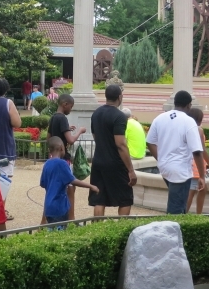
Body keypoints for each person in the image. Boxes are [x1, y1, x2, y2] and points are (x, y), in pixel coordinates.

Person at [145, 90, 206, 215]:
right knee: (176, 212)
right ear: (189, 105)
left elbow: (150, 142)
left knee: (180, 205)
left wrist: (161, 158)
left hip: (164, 168)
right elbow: (197, 152)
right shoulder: (188, 121)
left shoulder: (160, 118)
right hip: (180, 171)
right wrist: (202, 176)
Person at [88, 84, 137, 217]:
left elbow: (95, 137)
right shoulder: (119, 116)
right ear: (120, 97)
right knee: (125, 198)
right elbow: (120, 144)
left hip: (98, 160)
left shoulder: (96, 114)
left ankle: (98, 228)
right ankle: (121, 228)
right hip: (115, 163)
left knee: (99, 198)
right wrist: (131, 170)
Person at [41, 137, 99, 227]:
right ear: (61, 148)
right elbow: (73, 180)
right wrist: (91, 186)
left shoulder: (47, 164)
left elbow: (43, 184)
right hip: (59, 207)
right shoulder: (62, 163)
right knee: (60, 231)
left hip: (48, 208)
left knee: (52, 229)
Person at [48, 93, 87, 221]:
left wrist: (66, 129)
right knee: (70, 187)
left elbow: (49, 137)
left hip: (54, 157)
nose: (71, 109)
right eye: (71, 106)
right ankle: (71, 218)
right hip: (64, 158)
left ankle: (45, 220)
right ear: (65, 104)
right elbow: (70, 140)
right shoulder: (63, 118)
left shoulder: (54, 117)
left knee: (52, 188)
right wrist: (80, 131)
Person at [185, 107, 209, 214]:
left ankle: (195, 215)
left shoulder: (186, 128)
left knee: (200, 190)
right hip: (196, 165)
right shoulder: (198, 130)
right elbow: (202, 150)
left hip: (189, 163)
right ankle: (186, 214)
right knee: (193, 191)